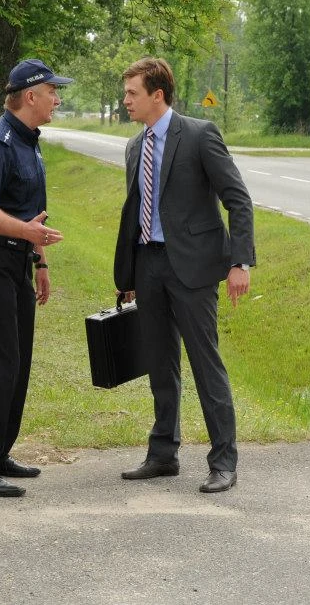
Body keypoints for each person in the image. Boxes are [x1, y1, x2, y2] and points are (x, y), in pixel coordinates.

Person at [114, 57, 255, 493]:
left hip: (193, 268)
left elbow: (238, 199)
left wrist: (239, 262)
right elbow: (134, 212)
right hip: (148, 265)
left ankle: (224, 462)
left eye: (132, 93)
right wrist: (129, 274)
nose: (125, 101)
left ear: (157, 94)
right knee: (160, 363)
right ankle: (162, 454)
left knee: (205, 364)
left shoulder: (199, 135)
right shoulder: (134, 147)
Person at [0, 59, 72, 498]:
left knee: (18, 363)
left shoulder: (29, 141)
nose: (57, 99)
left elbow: (31, 213)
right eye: (52, 92)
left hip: (18, 260)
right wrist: (27, 234)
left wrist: (40, 262)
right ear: (30, 96)